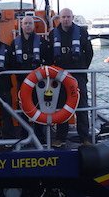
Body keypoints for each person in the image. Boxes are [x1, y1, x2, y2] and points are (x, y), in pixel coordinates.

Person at [48, 8, 93, 147]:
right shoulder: (53, 34)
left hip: (78, 75)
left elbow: (89, 53)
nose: (66, 19)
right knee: (62, 107)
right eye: (63, 17)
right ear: (59, 18)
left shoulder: (82, 32)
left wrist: (82, 68)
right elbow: (49, 54)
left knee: (82, 106)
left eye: (68, 17)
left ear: (72, 17)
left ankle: (84, 137)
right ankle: (60, 137)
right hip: (60, 77)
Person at [10, 16, 50, 142]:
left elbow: (49, 60)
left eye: (30, 23)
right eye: (25, 23)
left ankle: (40, 136)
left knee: (39, 108)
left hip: (39, 83)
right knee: (24, 108)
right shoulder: (15, 43)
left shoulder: (42, 42)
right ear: (21, 26)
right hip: (22, 82)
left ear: (34, 26)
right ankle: (24, 135)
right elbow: (12, 63)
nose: (28, 26)